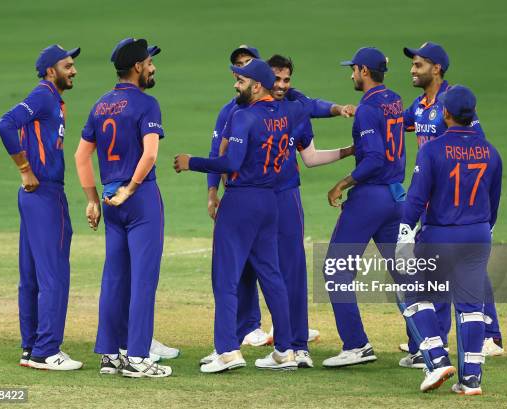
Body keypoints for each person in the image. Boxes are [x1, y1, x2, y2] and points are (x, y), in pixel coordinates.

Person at [206, 46, 354, 350]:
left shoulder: (292, 106)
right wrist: (214, 192)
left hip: (284, 195)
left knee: (289, 267)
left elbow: (311, 144)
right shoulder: (234, 110)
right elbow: (218, 154)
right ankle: (247, 333)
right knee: (246, 268)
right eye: (277, 79)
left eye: (286, 79)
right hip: (250, 196)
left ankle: (293, 341)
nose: (282, 85)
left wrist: (344, 128)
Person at [174, 59, 306, 373]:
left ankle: (228, 350)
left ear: (256, 85)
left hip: (240, 202)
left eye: (241, 81)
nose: (236, 85)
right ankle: (286, 350)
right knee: (272, 277)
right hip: (269, 202)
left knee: (225, 278)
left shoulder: (243, 117)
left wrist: (191, 162)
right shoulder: (283, 116)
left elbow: (231, 161)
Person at [398, 42, 503, 367]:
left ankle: (482, 335)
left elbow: (477, 148)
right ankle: (448, 338)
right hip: (434, 202)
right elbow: (400, 123)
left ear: (437, 68)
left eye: (418, 65)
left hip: (454, 204)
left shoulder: (454, 103)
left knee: (456, 271)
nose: (413, 70)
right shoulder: (420, 104)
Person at [74, 38, 171, 378]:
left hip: (110, 200)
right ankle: (138, 358)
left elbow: (80, 156)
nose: (153, 67)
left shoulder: (100, 105)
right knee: (144, 281)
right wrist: (132, 189)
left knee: (114, 279)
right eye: (149, 62)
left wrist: (91, 199)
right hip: (139, 199)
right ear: (137, 68)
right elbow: (150, 154)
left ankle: (110, 355)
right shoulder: (147, 104)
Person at [0, 44, 82, 370]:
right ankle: (47, 350)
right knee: (54, 275)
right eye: (67, 65)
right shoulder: (44, 94)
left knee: (31, 276)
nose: (73, 70)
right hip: (44, 193)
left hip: (35, 197)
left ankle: (31, 347)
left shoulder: (52, 100)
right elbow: (5, 123)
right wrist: (24, 169)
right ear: (50, 71)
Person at [320, 47, 407, 369]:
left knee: (335, 268)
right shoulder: (394, 99)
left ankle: (356, 345)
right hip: (397, 197)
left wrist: (342, 183)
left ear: (364, 71)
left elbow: (373, 158)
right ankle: (421, 344)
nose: (351, 75)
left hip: (370, 197)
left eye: (353, 70)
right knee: (403, 273)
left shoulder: (368, 109)